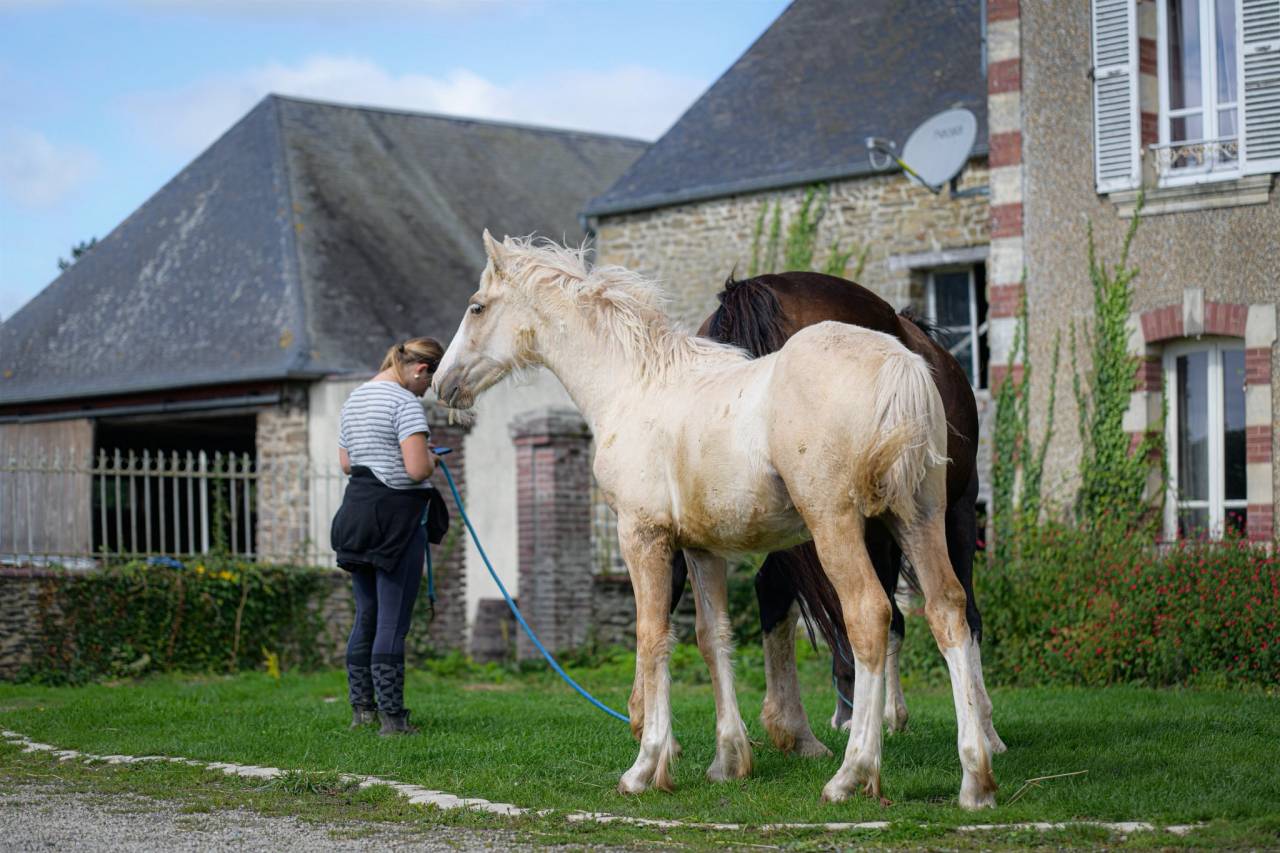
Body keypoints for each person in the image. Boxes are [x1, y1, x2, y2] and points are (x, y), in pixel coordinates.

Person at [330, 337, 444, 736]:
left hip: (355, 515)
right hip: (394, 521)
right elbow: (416, 470)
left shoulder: (354, 400)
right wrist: (430, 457)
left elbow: (347, 463)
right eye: (428, 382)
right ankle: (393, 720)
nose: (425, 390)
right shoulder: (403, 403)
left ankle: (363, 712)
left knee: (367, 615)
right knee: (392, 621)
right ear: (420, 369)